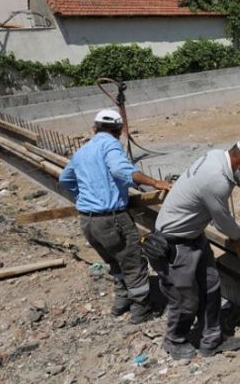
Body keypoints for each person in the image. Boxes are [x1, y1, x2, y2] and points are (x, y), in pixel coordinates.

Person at [152, 137, 240, 360]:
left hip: (194, 236)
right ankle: (174, 340)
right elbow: (222, 221)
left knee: (210, 287)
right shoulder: (216, 180)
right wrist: (235, 237)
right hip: (174, 242)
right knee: (185, 298)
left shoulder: (220, 159)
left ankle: (211, 340)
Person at [59, 109, 172, 323]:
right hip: (112, 219)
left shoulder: (83, 150)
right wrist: (156, 183)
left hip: (87, 221)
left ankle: (121, 302)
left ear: (95, 128)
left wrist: (83, 198)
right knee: (133, 263)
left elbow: (65, 179)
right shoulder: (110, 144)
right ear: (118, 130)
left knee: (114, 261)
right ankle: (141, 310)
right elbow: (123, 171)